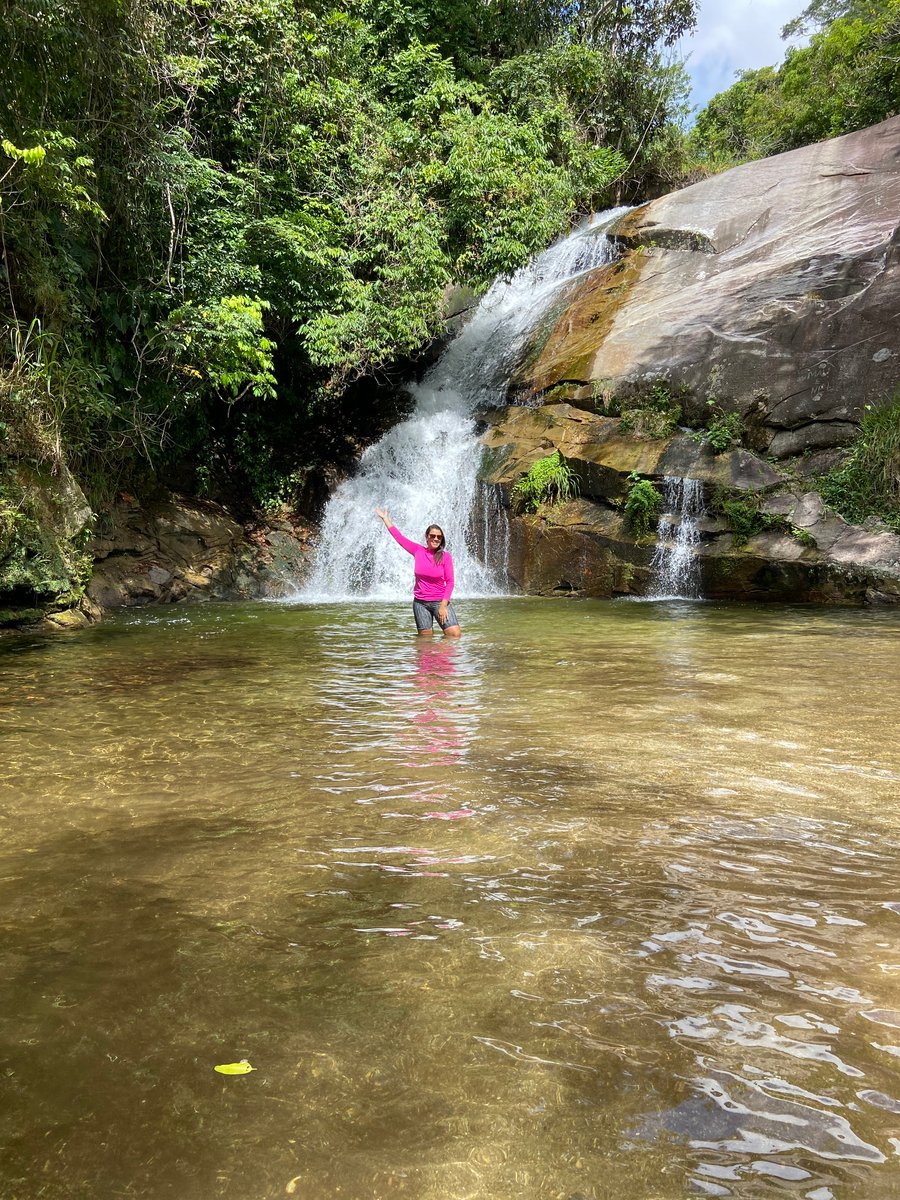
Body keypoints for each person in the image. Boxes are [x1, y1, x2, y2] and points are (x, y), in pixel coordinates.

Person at [375, 507, 461, 637]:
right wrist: (386, 519)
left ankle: (443, 658)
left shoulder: (445, 556)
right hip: (420, 603)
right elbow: (399, 537)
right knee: (425, 641)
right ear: (427, 537)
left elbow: (450, 582)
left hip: (440, 601)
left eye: (439, 537)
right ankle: (428, 658)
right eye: (432, 536)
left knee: (454, 635)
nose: (436, 539)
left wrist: (443, 605)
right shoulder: (418, 550)